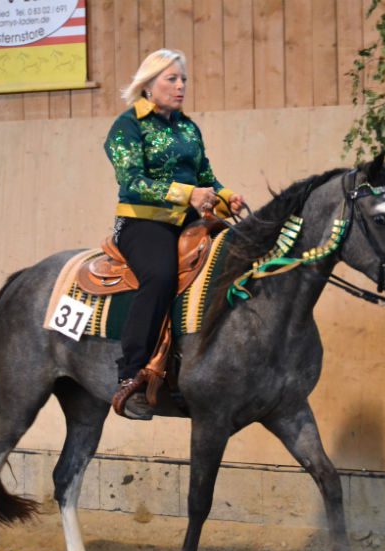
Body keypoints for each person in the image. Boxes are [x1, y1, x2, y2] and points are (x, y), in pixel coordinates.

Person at [104, 49, 244, 418]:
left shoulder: (187, 127)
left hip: (186, 223)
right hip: (141, 222)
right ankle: (131, 374)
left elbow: (206, 177)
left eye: (183, 79)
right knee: (161, 276)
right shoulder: (128, 126)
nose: (180, 86)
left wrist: (228, 197)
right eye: (171, 79)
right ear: (148, 85)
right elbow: (132, 180)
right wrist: (188, 195)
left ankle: (199, 370)